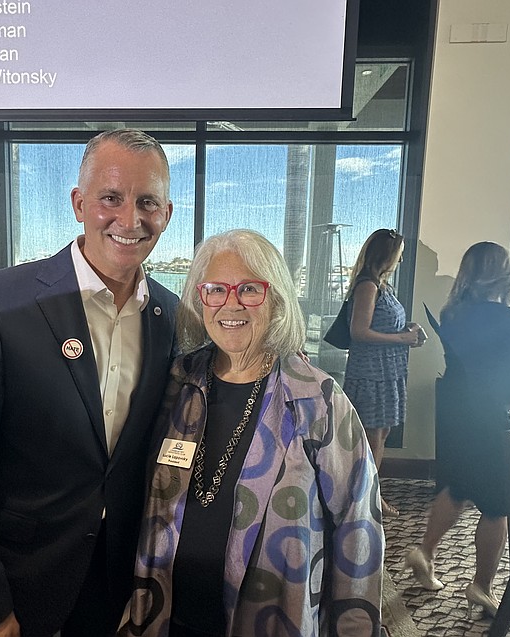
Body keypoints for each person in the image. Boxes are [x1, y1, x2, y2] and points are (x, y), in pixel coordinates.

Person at [0, 129, 178, 637]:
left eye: (147, 202)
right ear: (79, 203)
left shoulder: (172, 315)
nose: (129, 219)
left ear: (167, 213)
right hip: (19, 582)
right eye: (111, 198)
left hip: (124, 585)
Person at [119, 229, 383, 637]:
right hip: (166, 616)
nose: (231, 303)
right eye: (215, 290)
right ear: (200, 300)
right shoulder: (177, 383)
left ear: (276, 300)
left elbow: (358, 528)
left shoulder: (317, 399)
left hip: (271, 622)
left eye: (249, 289)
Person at [403, 241, 510, 618]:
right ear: (506, 276)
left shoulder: (452, 314)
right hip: (488, 417)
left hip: (454, 412)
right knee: (497, 507)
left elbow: (475, 364)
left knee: (458, 486)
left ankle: (425, 552)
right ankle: (481, 586)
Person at [343, 228, 425, 517]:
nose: (400, 261)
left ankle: (369, 497)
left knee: (380, 435)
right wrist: (402, 338)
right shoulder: (368, 285)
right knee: (372, 438)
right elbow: (359, 331)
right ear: (387, 256)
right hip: (371, 373)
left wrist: (409, 329)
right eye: (398, 255)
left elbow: (379, 324)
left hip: (387, 371)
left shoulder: (381, 285)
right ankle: (365, 501)